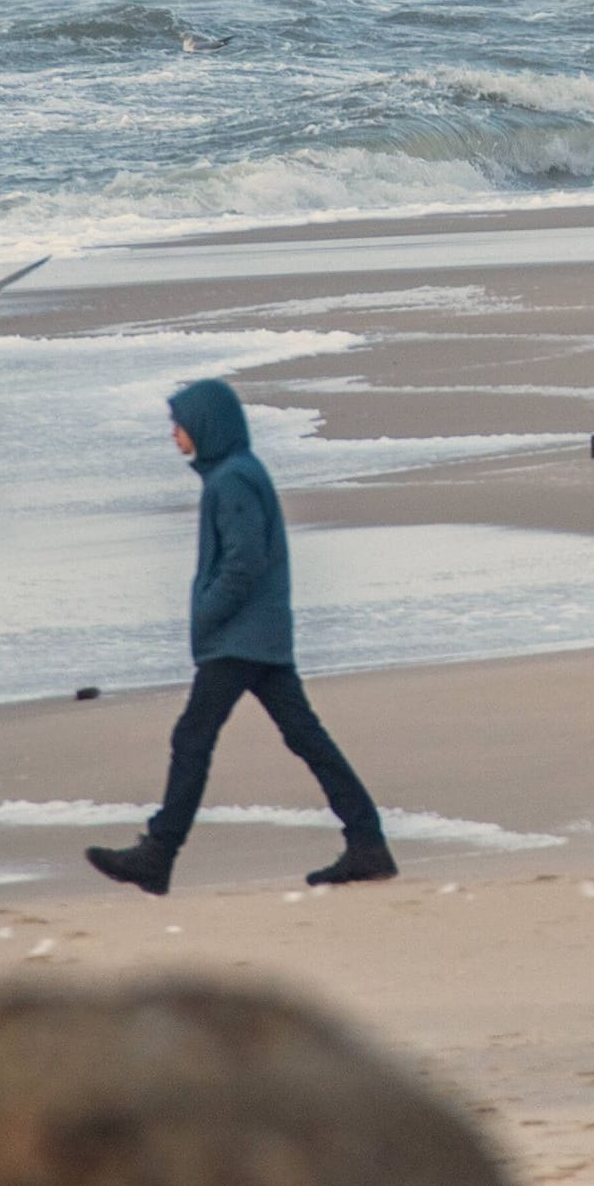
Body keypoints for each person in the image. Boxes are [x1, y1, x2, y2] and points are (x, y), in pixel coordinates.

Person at [87, 379, 398, 896]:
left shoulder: (231, 480)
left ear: (205, 426)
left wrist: (207, 614)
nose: (173, 434)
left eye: (179, 424)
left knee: (193, 738)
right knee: (304, 737)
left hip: (240, 638)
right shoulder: (238, 472)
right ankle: (368, 843)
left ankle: (158, 854)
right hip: (259, 636)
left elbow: (244, 560)